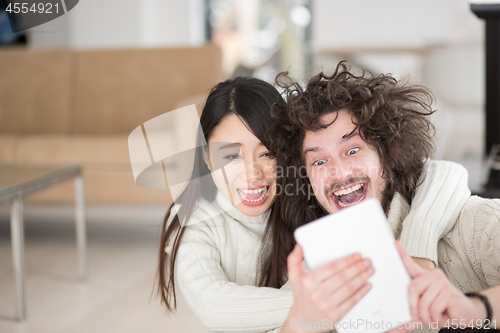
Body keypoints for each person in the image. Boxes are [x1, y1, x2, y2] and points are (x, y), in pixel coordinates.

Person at [156, 76, 470, 332]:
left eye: (267, 153)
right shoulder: (192, 220)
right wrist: (329, 302)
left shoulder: (307, 190)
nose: (252, 174)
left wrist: (418, 254)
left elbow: (445, 173)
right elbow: (214, 307)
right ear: (207, 158)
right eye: (230, 156)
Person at [266, 61, 500, 332]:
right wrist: (299, 326)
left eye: (352, 150)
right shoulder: (312, 283)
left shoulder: (475, 225)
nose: (340, 173)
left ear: (387, 158)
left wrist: (476, 309)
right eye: (319, 162)